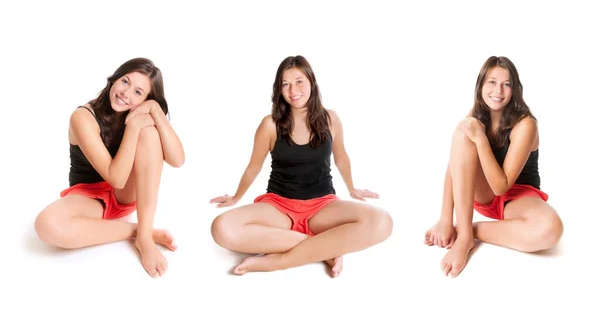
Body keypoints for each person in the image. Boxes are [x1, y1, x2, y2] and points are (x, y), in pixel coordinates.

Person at [210, 55, 393, 277]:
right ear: (278, 89)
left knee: (382, 222)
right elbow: (253, 167)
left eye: (299, 81)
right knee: (221, 228)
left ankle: (279, 261)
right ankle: (324, 248)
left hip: (323, 206)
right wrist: (236, 198)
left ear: (311, 83)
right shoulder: (270, 125)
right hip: (278, 207)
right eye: (285, 84)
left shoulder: (330, 118)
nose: (292, 90)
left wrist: (353, 189)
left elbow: (341, 157)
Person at [34, 57, 185, 278]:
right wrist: (133, 126)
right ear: (113, 79)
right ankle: (142, 232)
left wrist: (155, 111)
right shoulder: (83, 117)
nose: (126, 93)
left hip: (126, 196)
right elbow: (116, 178)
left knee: (151, 133)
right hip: (89, 196)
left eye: (138, 93)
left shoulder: (145, 112)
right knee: (46, 225)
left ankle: (144, 239)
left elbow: (177, 160)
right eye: (125, 82)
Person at [424, 56, 563, 277]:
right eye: (491, 82)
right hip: (483, 195)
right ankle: (465, 238)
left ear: (515, 88)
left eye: (506, 84)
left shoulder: (526, 124)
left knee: (550, 229)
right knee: (463, 131)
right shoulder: (477, 115)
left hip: (518, 196)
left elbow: (502, 187)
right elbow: (455, 165)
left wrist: (480, 139)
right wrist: (444, 219)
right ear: (480, 85)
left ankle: (467, 229)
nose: (498, 90)